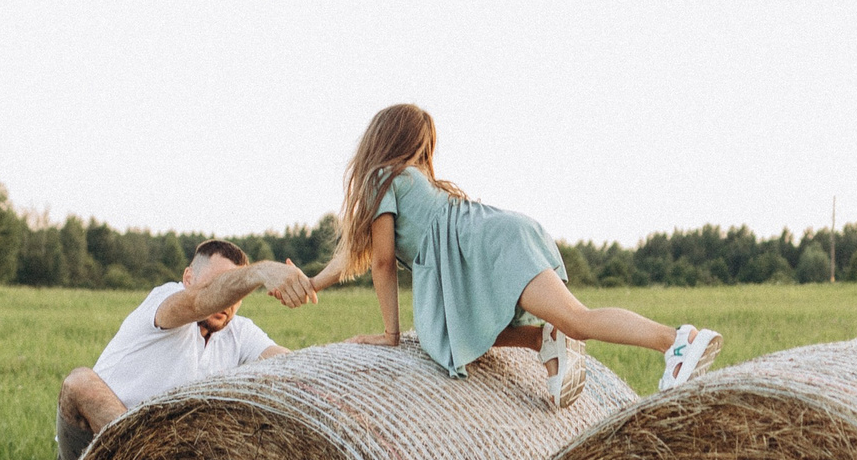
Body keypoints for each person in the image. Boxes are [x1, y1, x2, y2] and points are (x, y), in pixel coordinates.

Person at [296, 103, 721, 409]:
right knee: (454, 334)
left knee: (576, 319)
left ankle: (676, 342)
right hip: (494, 239)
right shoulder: (413, 181)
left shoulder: (381, 177)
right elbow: (358, 255)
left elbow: (383, 262)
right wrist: (311, 283)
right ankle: (543, 339)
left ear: (380, 138)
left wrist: (390, 335)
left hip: (489, 248)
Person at [54, 239, 310, 460]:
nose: (227, 300)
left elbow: (287, 363)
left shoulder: (240, 332)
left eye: (236, 292)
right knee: (80, 382)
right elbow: (200, 301)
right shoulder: (166, 298)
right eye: (221, 285)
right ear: (188, 278)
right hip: (95, 450)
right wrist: (261, 272)